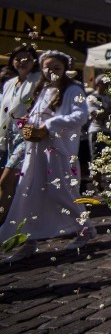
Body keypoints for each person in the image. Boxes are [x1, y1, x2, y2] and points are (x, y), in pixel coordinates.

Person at [0, 50, 95, 262]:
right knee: (29, 192)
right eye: (47, 68)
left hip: (58, 152)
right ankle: (27, 240)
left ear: (64, 70)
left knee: (61, 192)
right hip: (36, 152)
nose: (51, 71)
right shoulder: (42, 89)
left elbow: (80, 116)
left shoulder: (73, 89)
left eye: (56, 68)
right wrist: (27, 123)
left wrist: (49, 125)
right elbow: (36, 114)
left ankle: (85, 229)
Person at [0, 45, 41, 225]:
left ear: (34, 62)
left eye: (27, 58)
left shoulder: (39, 79)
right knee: (14, 183)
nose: (22, 62)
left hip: (26, 135)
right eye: (18, 58)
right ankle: (13, 219)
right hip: (8, 135)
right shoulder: (10, 83)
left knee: (6, 180)